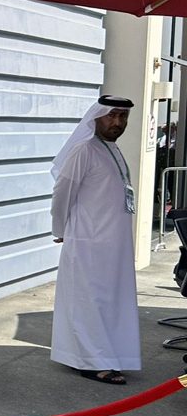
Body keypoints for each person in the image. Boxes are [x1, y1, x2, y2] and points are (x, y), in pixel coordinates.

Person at [50, 95, 140, 384]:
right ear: (97, 117)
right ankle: (92, 362)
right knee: (88, 302)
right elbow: (62, 192)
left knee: (109, 302)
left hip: (115, 246)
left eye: (122, 117)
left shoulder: (112, 150)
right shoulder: (84, 150)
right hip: (88, 241)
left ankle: (108, 355)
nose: (117, 122)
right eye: (111, 115)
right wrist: (60, 229)